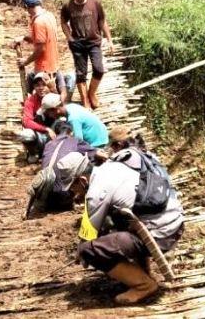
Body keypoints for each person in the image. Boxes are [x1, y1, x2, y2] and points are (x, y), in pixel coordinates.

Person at [70, 129, 184, 305]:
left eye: (72, 189)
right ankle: (144, 271)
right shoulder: (113, 166)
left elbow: (87, 236)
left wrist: (81, 254)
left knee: (89, 250)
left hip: (160, 234)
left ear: (82, 180)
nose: (74, 195)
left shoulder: (95, 193)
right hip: (174, 223)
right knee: (119, 221)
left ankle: (144, 285)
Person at [60, 0, 113, 110]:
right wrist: (69, 37)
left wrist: (109, 39)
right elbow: (63, 22)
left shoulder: (95, 2)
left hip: (94, 42)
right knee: (80, 73)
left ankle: (91, 93)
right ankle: (85, 100)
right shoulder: (68, 5)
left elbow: (102, 21)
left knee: (99, 69)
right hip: (77, 43)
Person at [26, 121, 97, 213]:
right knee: (87, 163)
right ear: (71, 132)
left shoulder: (48, 144)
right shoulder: (75, 141)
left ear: (56, 133)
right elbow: (96, 153)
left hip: (44, 197)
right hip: (63, 197)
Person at [40, 93, 108, 148]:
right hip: (102, 137)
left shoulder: (73, 119)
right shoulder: (71, 106)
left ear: (55, 109)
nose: (49, 116)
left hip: (97, 144)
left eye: (48, 113)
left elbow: (78, 142)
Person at [19, 74, 56, 161]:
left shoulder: (54, 97)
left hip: (55, 135)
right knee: (26, 134)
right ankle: (33, 153)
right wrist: (45, 129)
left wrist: (54, 90)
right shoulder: (31, 100)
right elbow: (26, 121)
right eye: (37, 85)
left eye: (44, 85)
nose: (41, 88)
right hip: (40, 135)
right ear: (34, 87)